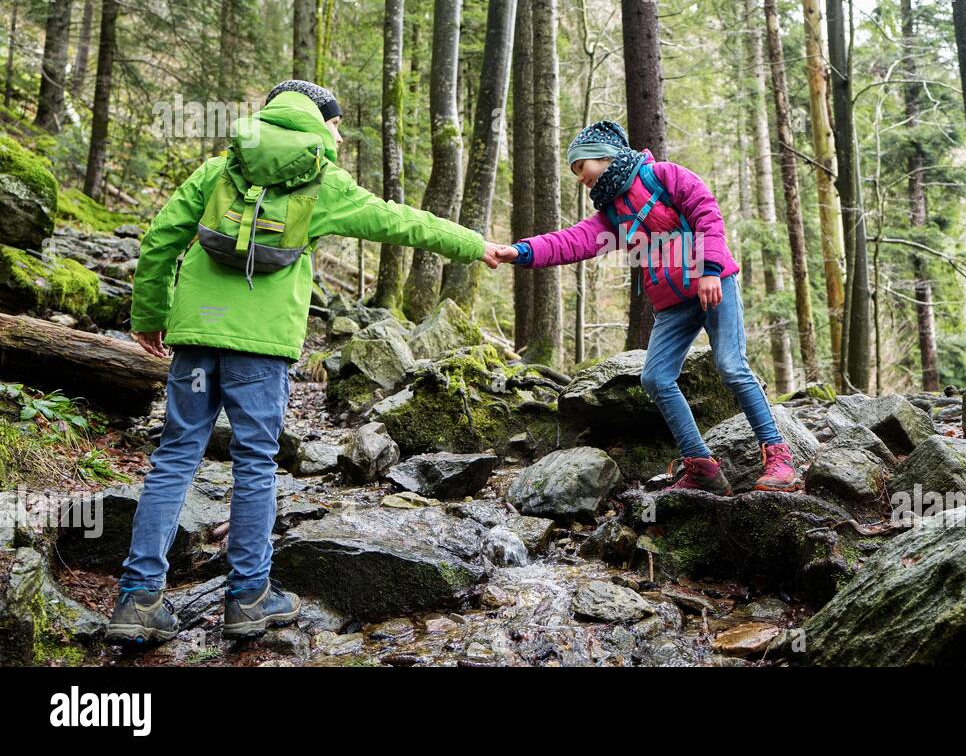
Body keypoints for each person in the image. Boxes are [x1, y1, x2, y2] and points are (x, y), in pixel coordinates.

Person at [108, 80, 505, 645]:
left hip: (196, 338)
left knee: (175, 456)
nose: (339, 132)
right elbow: (400, 220)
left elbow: (160, 240)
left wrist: (149, 313)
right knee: (254, 463)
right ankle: (248, 598)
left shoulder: (219, 169)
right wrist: (474, 244)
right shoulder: (323, 182)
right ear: (317, 119)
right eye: (335, 121)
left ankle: (137, 600)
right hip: (262, 349)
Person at [493, 119, 798, 497]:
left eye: (580, 167)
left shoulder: (664, 176)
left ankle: (779, 457)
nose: (579, 178)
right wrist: (518, 252)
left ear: (602, 158)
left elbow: (707, 214)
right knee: (655, 378)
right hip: (673, 305)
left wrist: (710, 270)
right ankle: (701, 466)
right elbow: (568, 242)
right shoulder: (613, 217)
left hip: (715, 284)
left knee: (731, 366)